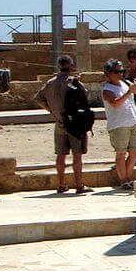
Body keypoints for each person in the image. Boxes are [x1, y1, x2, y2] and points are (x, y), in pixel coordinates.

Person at [36, 55, 91, 194]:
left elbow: (38, 98)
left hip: (59, 122)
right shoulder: (74, 82)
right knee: (77, 155)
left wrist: (51, 111)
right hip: (75, 123)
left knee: (61, 155)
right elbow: (85, 96)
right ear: (71, 66)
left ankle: (61, 184)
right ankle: (79, 185)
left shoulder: (51, 82)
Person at [101, 58, 136, 191]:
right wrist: (129, 92)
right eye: (117, 72)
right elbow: (115, 103)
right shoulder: (107, 90)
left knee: (135, 151)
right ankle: (124, 180)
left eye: (122, 71)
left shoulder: (125, 83)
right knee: (121, 153)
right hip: (119, 124)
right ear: (109, 73)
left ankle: (127, 177)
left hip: (132, 121)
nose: (121, 74)